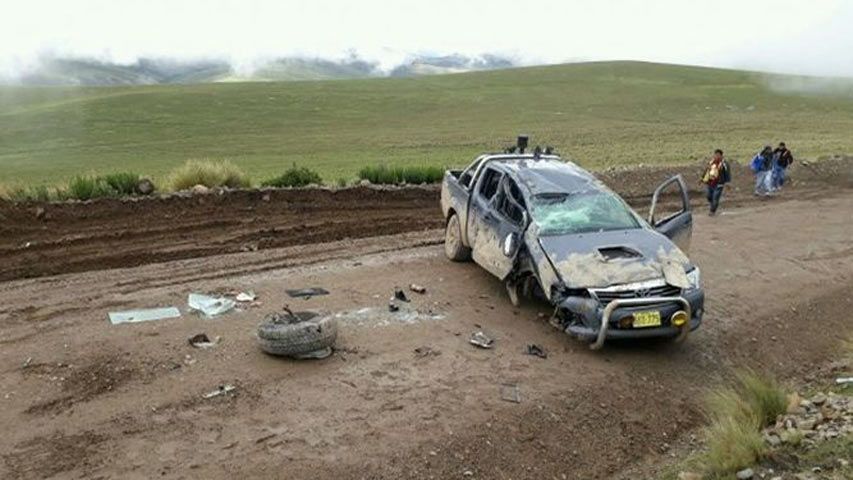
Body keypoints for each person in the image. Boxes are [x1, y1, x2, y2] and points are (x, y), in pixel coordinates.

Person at [701, 149, 731, 215]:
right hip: (710, 182)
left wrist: (727, 182)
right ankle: (713, 205)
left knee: (715, 197)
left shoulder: (724, 164)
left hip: (719, 183)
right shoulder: (711, 162)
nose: (717, 156)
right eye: (716, 155)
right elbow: (707, 170)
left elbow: (727, 173)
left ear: (721, 155)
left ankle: (712, 211)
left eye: (718, 155)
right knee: (708, 196)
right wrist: (702, 178)